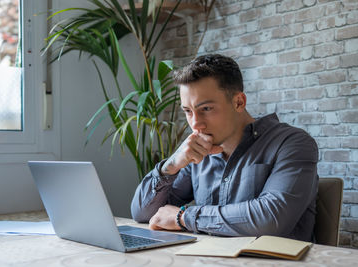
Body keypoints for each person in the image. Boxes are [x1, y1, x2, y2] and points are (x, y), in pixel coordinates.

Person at [130, 54, 319, 242]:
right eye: (188, 111)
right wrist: (170, 166)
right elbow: (142, 213)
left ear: (239, 102)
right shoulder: (197, 153)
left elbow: (271, 220)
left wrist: (184, 217)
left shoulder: (293, 143)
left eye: (206, 109)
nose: (196, 124)